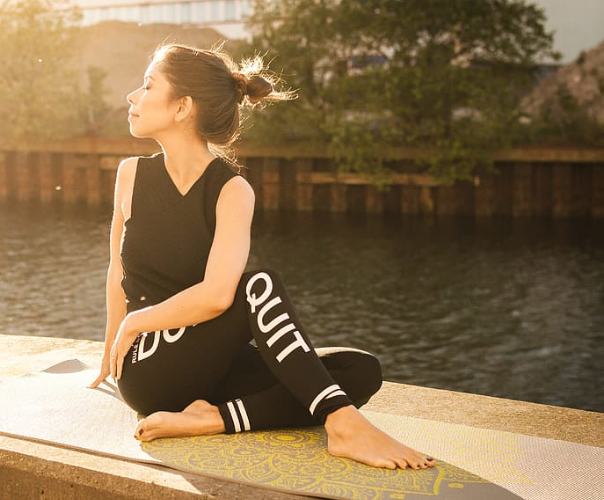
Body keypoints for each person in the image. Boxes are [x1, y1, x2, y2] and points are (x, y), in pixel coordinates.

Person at [89, 43, 435, 470]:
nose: (132, 97)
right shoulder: (131, 175)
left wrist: (133, 321)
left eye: (147, 86)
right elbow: (117, 270)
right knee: (260, 285)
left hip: (209, 365)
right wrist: (112, 351)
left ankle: (214, 419)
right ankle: (343, 427)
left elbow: (215, 297)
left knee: (360, 371)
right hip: (150, 367)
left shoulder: (232, 191)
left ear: (182, 108)